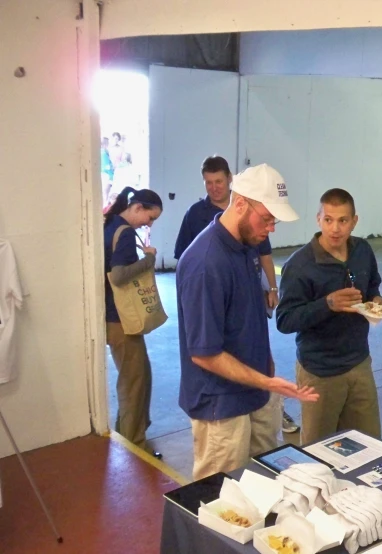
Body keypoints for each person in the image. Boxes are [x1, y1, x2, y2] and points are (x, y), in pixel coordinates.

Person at [176, 163, 318, 479]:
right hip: (221, 405)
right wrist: (267, 383)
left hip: (257, 391)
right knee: (223, 501)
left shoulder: (246, 247)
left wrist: (266, 374)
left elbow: (250, 317)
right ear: (240, 203)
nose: (271, 228)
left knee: (265, 483)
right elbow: (203, 353)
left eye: (274, 220)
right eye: (266, 218)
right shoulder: (205, 263)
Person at [276, 189, 382, 445]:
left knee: (368, 445)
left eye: (343, 221)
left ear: (354, 221)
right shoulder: (300, 265)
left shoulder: (362, 251)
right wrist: (327, 304)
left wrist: (376, 301)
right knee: (318, 451)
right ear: (318, 219)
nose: (335, 228)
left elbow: (372, 287)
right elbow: (285, 320)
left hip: (359, 364)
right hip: (320, 372)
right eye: (328, 220)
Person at [103, 186, 164, 457]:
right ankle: (134, 445)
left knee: (138, 376)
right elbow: (118, 276)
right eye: (150, 218)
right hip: (120, 318)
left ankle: (127, 434)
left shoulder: (111, 223)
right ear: (137, 208)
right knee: (133, 381)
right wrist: (149, 259)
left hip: (112, 316)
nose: (149, 224)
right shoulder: (126, 233)